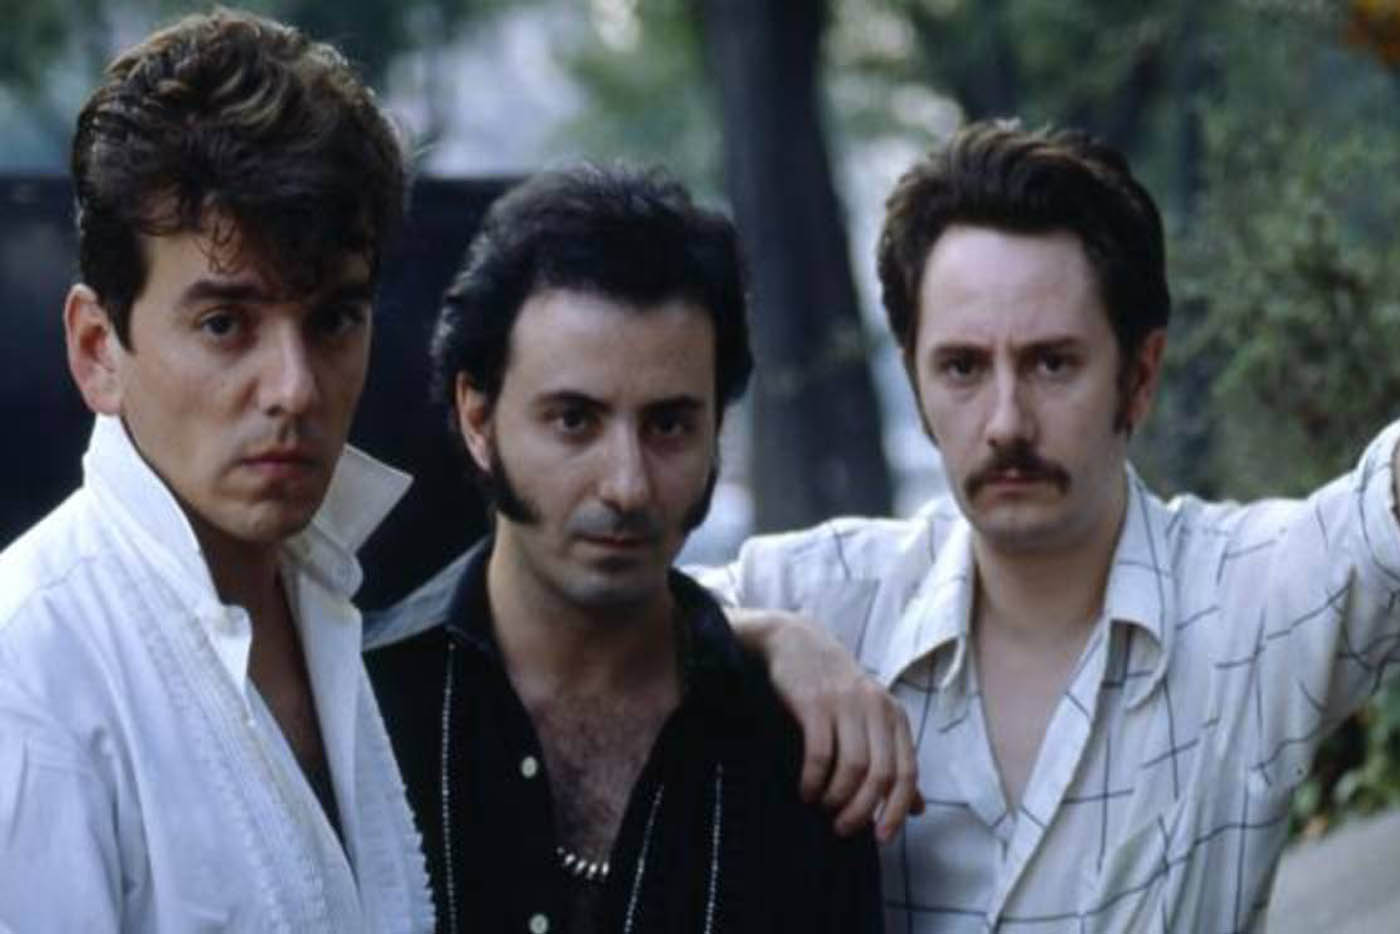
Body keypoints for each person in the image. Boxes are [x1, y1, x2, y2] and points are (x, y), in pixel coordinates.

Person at [694, 119, 1400, 932]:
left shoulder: (1248, 603)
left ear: (1139, 377)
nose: (1006, 422)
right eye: (962, 367)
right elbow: (601, 623)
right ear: (916, 383)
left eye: (1052, 363)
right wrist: (768, 640)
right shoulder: (829, 598)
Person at [364, 164, 883, 933]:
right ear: (478, 418)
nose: (628, 485)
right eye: (574, 421)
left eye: (669, 425)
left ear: (717, 429)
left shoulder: (796, 749)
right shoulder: (363, 711)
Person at [0, 10, 432, 931]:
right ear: (97, 349)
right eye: (225, 323)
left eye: (333, 319)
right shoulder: (27, 674)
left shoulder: (321, 594)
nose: (294, 388)